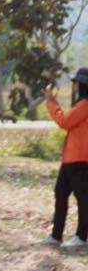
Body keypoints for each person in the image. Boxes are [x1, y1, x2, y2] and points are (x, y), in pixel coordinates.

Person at [40, 70, 88, 248]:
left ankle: (81, 237)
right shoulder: (81, 104)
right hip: (71, 158)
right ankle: (56, 235)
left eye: (77, 83)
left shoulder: (85, 104)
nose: (74, 86)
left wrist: (51, 103)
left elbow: (65, 122)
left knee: (83, 199)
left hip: (80, 159)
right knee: (60, 193)